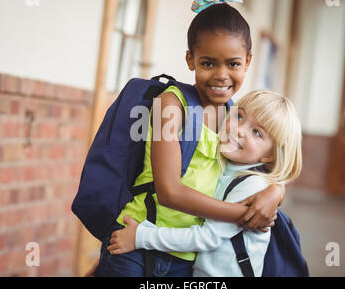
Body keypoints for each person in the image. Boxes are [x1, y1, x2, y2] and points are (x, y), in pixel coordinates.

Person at [94, 0, 286, 277]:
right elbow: (170, 192)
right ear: (190, 60)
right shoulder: (172, 105)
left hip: (188, 258)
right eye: (208, 63)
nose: (221, 75)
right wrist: (246, 216)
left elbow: (253, 169)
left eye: (233, 64)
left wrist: (274, 191)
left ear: (247, 62)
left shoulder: (235, 117)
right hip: (138, 244)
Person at [108, 90, 303, 277]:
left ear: (270, 155)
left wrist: (140, 237)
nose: (240, 130)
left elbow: (207, 237)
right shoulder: (224, 165)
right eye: (239, 116)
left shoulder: (253, 187)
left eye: (257, 133)